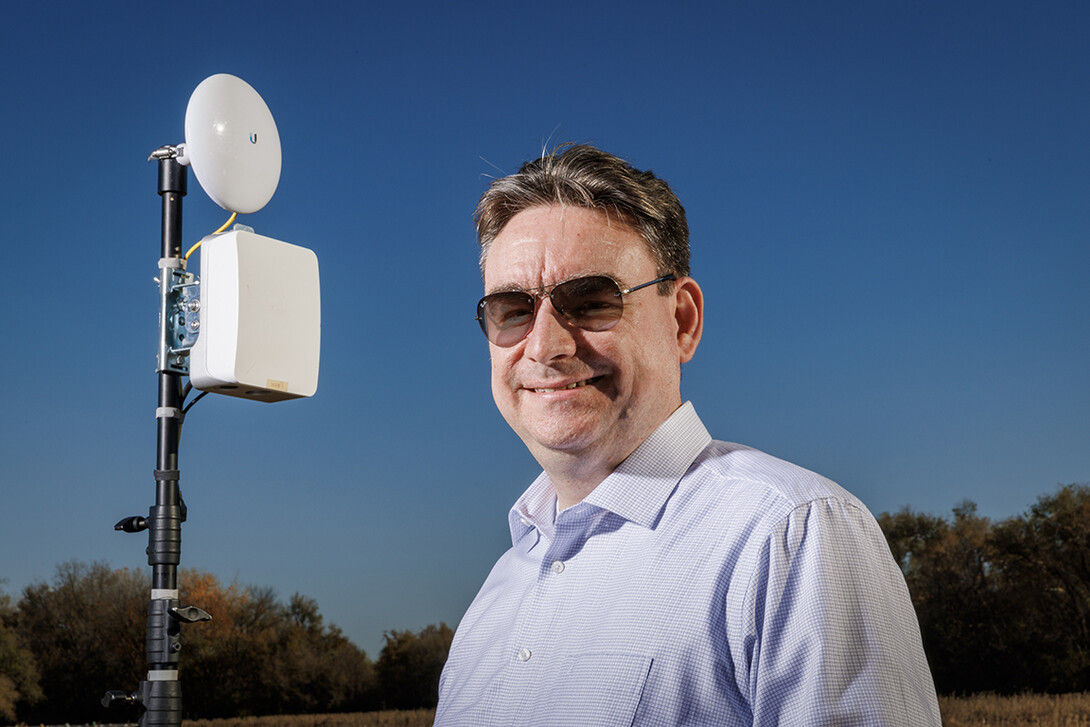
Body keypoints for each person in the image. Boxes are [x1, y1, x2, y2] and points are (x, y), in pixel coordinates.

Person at [435, 144, 941, 726]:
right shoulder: (498, 595)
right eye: (513, 311)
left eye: (592, 301)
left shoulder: (788, 538)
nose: (546, 345)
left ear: (682, 320)